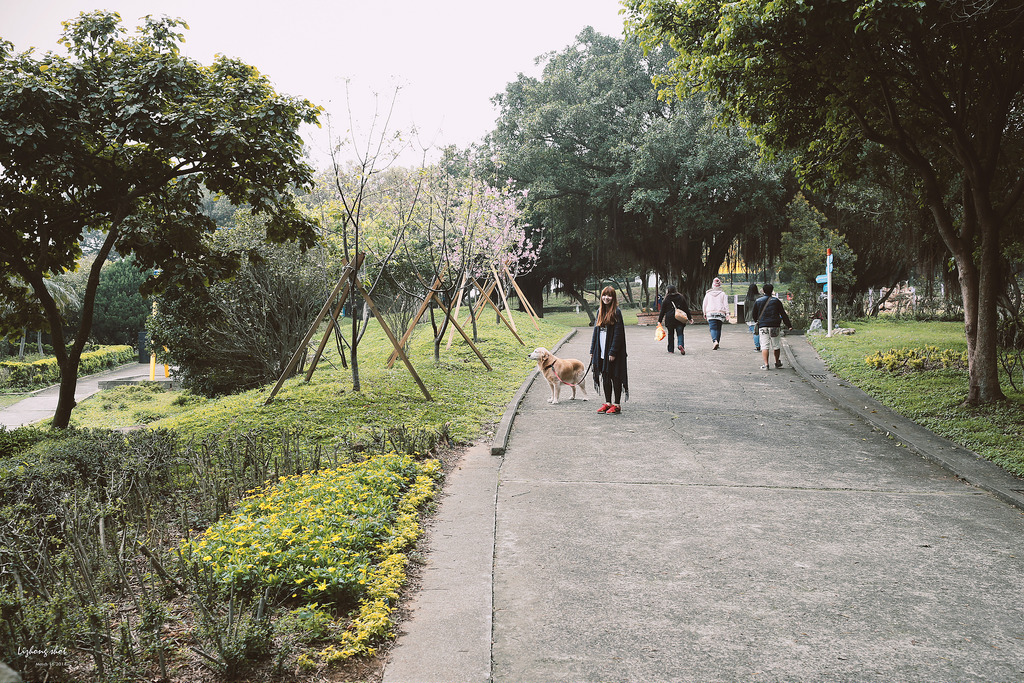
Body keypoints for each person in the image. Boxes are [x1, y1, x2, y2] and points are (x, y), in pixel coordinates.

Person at [591, 286, 629, 414]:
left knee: (615, 376)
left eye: (609, 295)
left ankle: (616, 404)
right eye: (604, 295)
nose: (606, 298)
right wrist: (592, 350)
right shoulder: (599, 311)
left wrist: (612, 351)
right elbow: (595, 333)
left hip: (613, 351)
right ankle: (608, 403)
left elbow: (619, 334)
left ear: (613, 298)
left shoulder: (616, 312)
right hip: (600, 349)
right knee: (605, 376)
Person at [751, 283, 793, 370]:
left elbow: (754, 315)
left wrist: (758, 322)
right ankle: (777, 362)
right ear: (772, 290)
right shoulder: (776, 301)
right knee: (776, 345)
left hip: (763, 326)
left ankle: (766, 365)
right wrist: (788, 325)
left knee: (764, 345)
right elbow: (783, 314)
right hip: (774, 325)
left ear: (763, 291)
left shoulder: (758, 301)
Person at [657, 285, 691, 355]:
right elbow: (686, 308)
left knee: (670, 334)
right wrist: (690, 318)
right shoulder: (681, 297)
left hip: (670, 319)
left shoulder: (666, 299)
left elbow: (662, 311)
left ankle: (671, 350)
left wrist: (659, 321)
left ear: (668, 291)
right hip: (679, 318)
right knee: (680, 333)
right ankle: (680, 345)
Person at [701, 277, 729, 350]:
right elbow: (726, 304)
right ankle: (717, 343)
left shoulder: (708, 294)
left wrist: (704, 312)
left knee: (712, 328)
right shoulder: (722, 293)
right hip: (720, 313)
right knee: (718, 329)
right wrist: (727, 313)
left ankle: (714, 341)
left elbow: (704, 304)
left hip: (710, 313)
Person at [743, 283, 761, 352]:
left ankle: (757, 346)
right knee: (760, 332)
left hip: (750, 317)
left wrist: (745, 318)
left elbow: (745, 309)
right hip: (759, 316)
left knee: (755, 332)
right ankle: (762, 345)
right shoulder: (760, 297)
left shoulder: (748, 298)